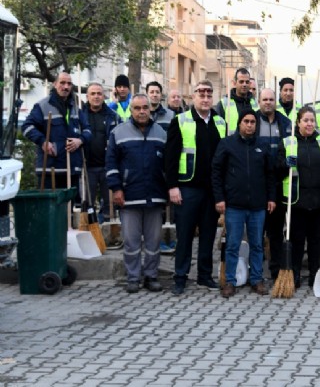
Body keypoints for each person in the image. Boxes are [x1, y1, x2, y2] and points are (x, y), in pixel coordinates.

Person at [165, 80, 226, 295]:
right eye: (201, 93)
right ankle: (180, 277)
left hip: (211, 191)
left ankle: (204, 275)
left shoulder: (220, 122)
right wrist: (172, 186)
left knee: (209, 235)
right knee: (185, 235)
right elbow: (170, 157)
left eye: (209, 94)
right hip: (187, 188)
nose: (206, 97)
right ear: (193, 97)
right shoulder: (180, 121)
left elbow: (223, 159)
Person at [106, 94, 168, 293]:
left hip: (155, 196)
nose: (142, 112)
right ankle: (133, 277)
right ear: (131, 110)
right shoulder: (118, 132)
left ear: (150, 109)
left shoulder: (161, 132)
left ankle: (151, 276)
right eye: (137, 108)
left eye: (145, 108)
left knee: (153, 241)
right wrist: (116, 188)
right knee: (131, 242)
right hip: (129, 196)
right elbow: (111, 163)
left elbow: (168, 165)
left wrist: (167, 190)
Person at [212, 109, 277, 298]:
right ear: (239, 124)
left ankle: (256, 279)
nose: (249, 125)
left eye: (253, 122)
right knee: (232, 245)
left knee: (257, 244)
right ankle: (230, 281)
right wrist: (219, 198)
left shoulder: (263, 145)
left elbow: (270, 174)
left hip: (258, 205)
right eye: (246, 121)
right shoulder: (227, 144)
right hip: (234, 205)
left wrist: (271, 197)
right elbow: (216, 172)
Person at [279, 107, 320, 289]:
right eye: (306, 120)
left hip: (318, 199)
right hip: (296, 200)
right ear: (298, 123)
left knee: (315, 241)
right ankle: (294, 274)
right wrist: (284, 163)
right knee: (296, 240)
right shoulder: (289, 142)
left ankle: (314, 274)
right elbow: (276, 167)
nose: (310, 123)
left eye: (312, 120)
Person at [22, 72, 91, 191]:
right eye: (62, 83)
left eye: (69, 84)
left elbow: (88, 130)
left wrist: (80, 140)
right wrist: (43, 142)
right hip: (49, 170)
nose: (66, 87)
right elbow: (26, 127)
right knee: (49, 208)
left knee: (70, 208)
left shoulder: (75, 108)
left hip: (72, 169)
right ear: (54, 84)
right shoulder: (43, 105)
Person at [257, 88, 292, 281]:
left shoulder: (285, 123)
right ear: (259, 101)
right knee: (256, 231)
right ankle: (255, 271)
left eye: (271, 99)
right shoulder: (251, 121)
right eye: (265, 99)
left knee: (276, 231)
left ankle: (276, 269)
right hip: (257, 183)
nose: (268, 102)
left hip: (279, 183)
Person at [83, 82, 119, 225]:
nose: (96, 97)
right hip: (87, 167)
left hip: (107, 166)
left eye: (99, 93)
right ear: (87, 96)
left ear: (103, 96)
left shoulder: (112, 116)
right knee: (87, 202)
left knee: (109, 204)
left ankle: (109, 232)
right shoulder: (80, 115)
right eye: (93, 94)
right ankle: (89, 230)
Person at [216, 68, 259, 134]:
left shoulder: (255, 104)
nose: (244, 85)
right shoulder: (223, 104)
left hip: (251, 143)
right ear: (234, 83)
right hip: (231, 143)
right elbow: (217, 129)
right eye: (241, 82)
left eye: (247, 82)